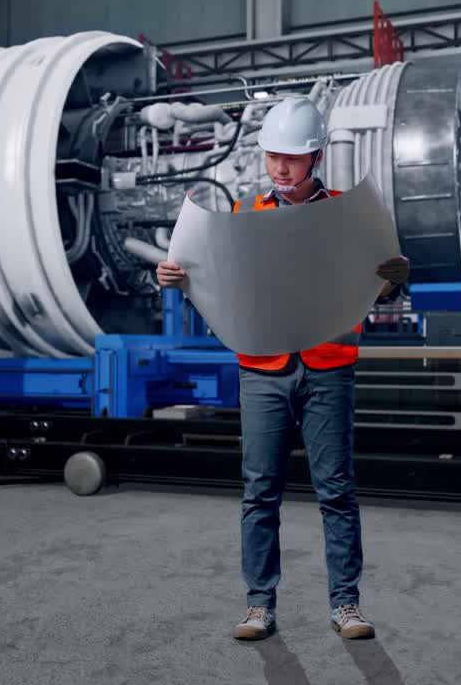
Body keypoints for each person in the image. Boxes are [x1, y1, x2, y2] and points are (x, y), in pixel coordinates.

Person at [156, 97, 409, 641]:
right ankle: (258, 605)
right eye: (273, 157)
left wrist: (393, 275)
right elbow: (218, 281)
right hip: (263, 368)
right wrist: (177, 277)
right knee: (259, 490)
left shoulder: (349, 216)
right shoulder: (246, 219)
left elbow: (377, 285)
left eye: (292, 158)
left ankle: (346, 605)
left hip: (328, 366)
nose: (281, 168)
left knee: (336, 489)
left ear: (315, 157)